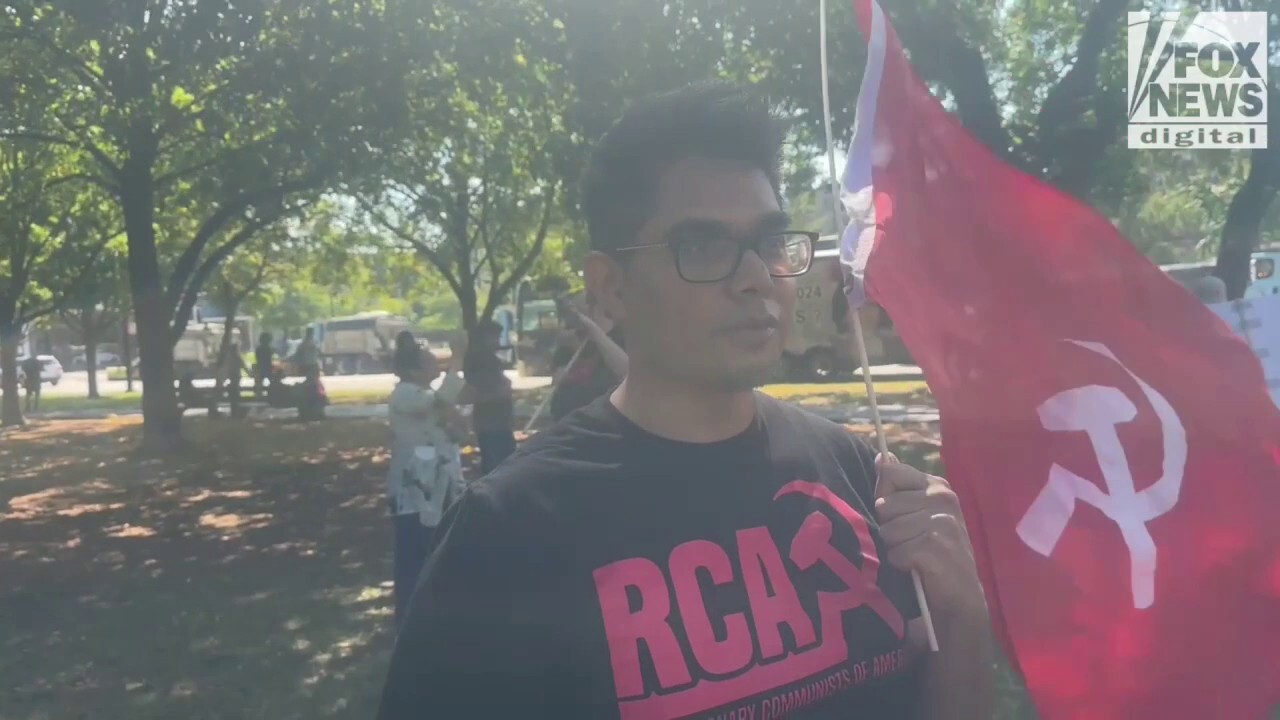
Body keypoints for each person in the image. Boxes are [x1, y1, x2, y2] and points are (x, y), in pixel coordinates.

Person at [379, 83, 993, 718]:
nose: (756, 276)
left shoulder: (857, 475)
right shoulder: (508, 531)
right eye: (702, 246)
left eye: (769, 241)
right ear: (611, 289)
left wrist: (963, 611)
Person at [386, 335, 466, 627]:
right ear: (413, 370)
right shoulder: (405, 394)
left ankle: (438, 614)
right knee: (413, 554)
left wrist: (457, 423)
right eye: (431, 362)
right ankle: (409, 619)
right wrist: (458, 358)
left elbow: (456, 428)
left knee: (441, 549)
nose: (438, 365)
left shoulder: (427, 395)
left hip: (443, 483)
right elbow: (444, 400)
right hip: (414, 489)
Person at [548, 302, 628, 422]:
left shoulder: (620, 338)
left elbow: (625, 370)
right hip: (568, 417)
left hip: (607, 420)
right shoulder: (566, 347)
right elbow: (557, 381)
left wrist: (595, 331)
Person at [458, 320, 516, 476]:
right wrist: (501, 393)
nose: (497, 341)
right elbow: (475, 392)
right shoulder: (482, 361)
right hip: (491, 419)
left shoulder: (487, 359)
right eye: (494, 337)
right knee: (497, 463)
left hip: (497, 419)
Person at [254, 332, 275, 399]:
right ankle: (272, 395)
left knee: (259, 384)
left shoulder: (259, 348)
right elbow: (269, 358)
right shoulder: (268, 348)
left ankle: (259, 396)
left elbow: (257, 358)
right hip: (267, 367)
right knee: (272, 381)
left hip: (261, 367)